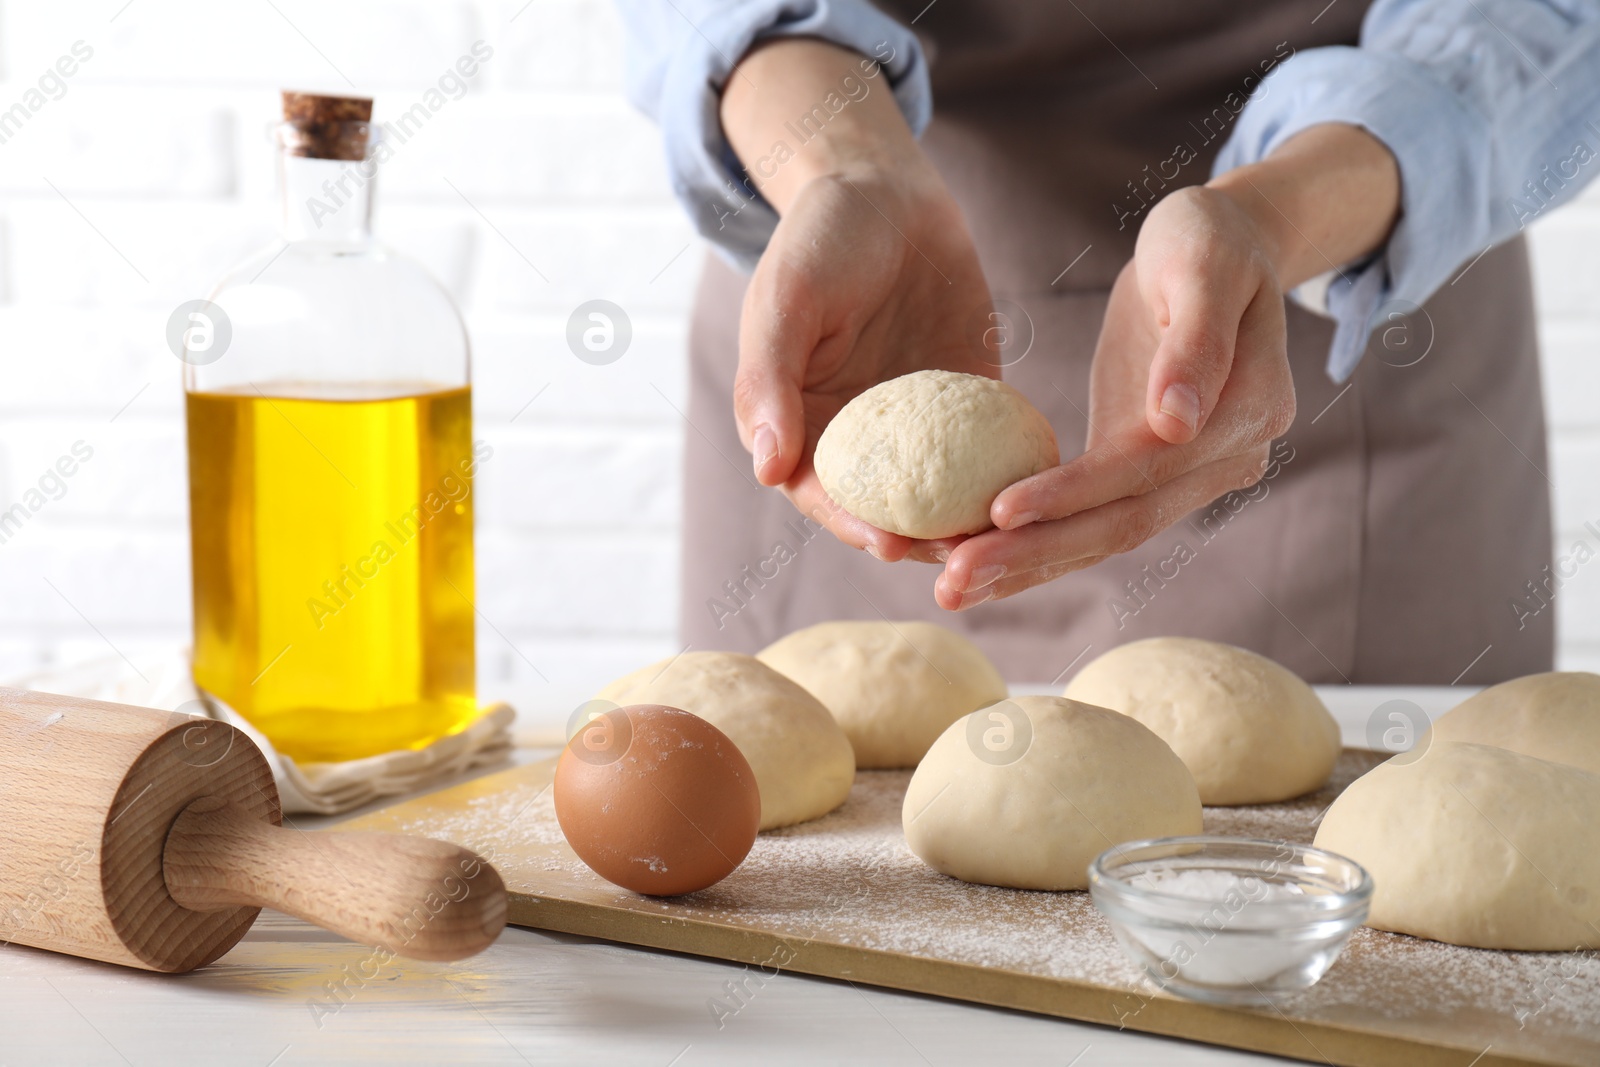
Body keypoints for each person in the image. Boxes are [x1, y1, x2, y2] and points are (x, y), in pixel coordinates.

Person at [616, 0, 1600, 684]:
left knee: (1310, 915)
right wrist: (842, 170)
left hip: (1330, 294)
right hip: (849, 319)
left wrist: (1272, 216)